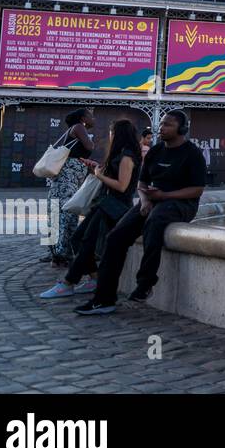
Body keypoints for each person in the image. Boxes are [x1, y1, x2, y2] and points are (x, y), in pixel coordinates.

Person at [74, 110, 206, 315]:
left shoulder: (192, 153)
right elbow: (142, 181)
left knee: (154, 223)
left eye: (167, 125)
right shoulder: (155, 151)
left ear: (182, 129)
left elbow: (197, 189)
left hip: (180, 203)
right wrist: (144, 199)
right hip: (152, 200)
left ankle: (145, 284)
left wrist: (164, 196)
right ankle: (104, 299)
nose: (161, 128)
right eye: (161, 124)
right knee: (115, 237)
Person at [39, 120, 141, 300]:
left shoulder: (127, 156)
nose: (110, 136)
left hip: (114, 207)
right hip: (105, 204)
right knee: (78, 239)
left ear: (119, 134)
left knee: (85, 241)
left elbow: (122, 186)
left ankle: (68, 282)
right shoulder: (120, 154)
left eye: (112, 132)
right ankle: (95, 278)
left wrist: (99, 175)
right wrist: (95, 167)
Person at [43, 108, 96, 266]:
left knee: (63, 214)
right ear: (83, 118)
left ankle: (59, 253)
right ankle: (60, 254)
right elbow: (90, 146)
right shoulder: (79, 128)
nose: (94, 119)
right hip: (68, 179)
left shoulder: (76, 129)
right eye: (91, 116)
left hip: (69, 179)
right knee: (66, 214)